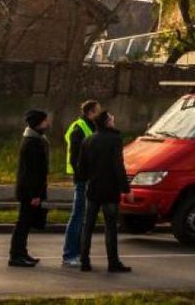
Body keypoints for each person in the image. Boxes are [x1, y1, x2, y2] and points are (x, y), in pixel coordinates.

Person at [77, 110, 131, 273]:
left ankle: (84, 261)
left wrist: (87, 180)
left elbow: (81, 168)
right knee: (110, 227)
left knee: (88, 226)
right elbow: (118, 166)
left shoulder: (88, 140)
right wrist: (126, 188)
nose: (114, 120)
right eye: (112, 118)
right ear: (107, 122)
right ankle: (113, 262)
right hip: (109, 190)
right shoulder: (115, 140)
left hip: (93, 189)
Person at [62, 99, 101, 267]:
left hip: (87, 178)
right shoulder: (79, 128)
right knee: (77, 216)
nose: (100, 114)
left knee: (81, 216)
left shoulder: (90, 127)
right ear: (91, 112)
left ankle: (76, 253)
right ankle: (70, 254)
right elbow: (75, 156)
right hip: (82, 179)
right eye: (98, 111)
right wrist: (82, 177)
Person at [9, 109, 50, 268]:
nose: (48, 123)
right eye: (45, 121)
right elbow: (32, 172)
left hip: (31, 190)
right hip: (29, 191)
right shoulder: (32, 143)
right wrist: (35, 194)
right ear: (38, 123)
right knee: (23, 223)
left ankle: (21, 252)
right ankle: (16, 255)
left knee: (25, 223)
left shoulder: (36, 140)